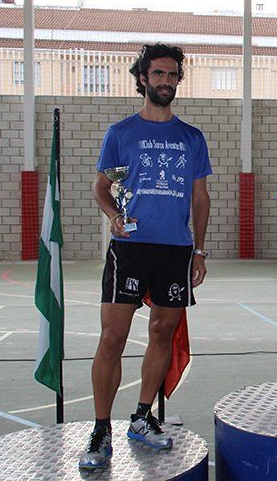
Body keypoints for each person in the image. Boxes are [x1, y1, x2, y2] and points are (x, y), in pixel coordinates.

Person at [79, 43, 212, 470]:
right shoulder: (120, 133)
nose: (166, 82)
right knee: (112, 338)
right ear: (142, 78)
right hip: (130, 248)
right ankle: (101, 429)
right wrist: (115, 216)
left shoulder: (192, 137)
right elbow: (102, 187)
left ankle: (141, 417)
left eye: (173, 75)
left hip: (175, 249)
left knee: (162, 333)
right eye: (158, 74)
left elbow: (200, 197)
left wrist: (200, 250)